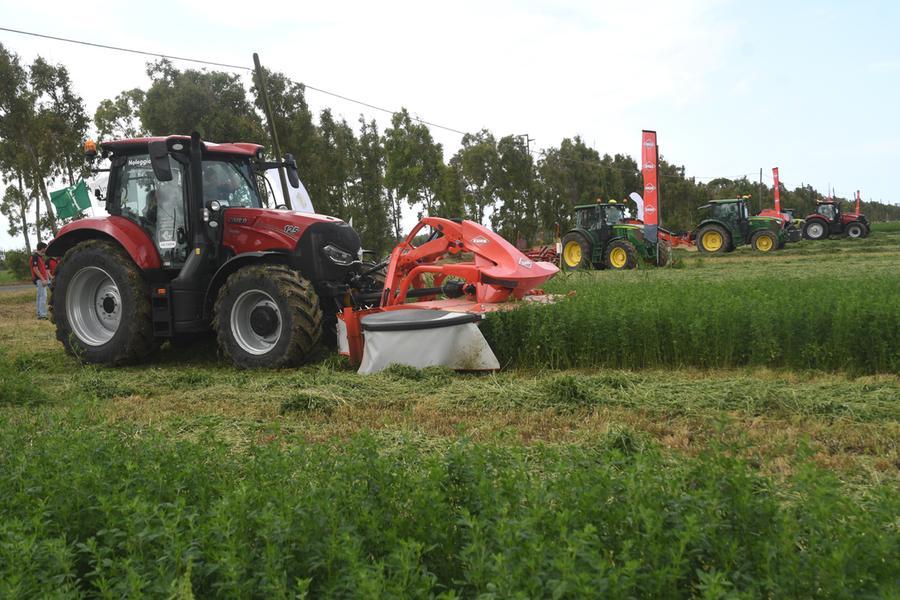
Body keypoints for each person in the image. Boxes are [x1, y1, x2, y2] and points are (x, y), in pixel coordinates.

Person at [30, 242, 50, 320]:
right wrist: (42, 279)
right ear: (42, 248)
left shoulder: (39, 257)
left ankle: (39, 313)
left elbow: (42, 269)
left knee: (39, 297)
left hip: (41, 279)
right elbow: (35, 269)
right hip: (39, 280)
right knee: (43, 297)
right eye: (45, 248)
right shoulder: (35, 257)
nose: (45, 250)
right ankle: (42, 315)